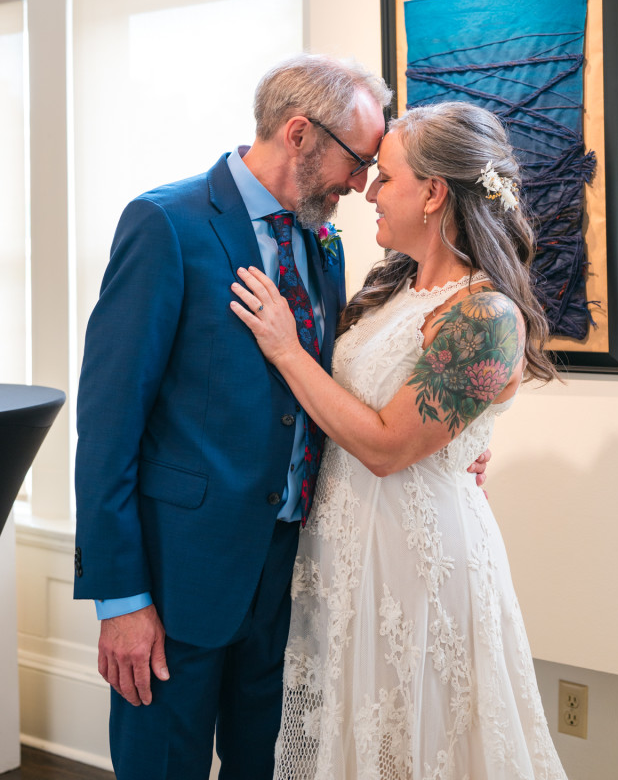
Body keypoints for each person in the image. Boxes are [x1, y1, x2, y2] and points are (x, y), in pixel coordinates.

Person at [73, 54, 490, 780]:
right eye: (358, 160)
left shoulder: (319, 240)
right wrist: (121, 597)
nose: (360, 184)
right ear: (299, 134)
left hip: (295, 576)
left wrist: (451, 444)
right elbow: (107, 425)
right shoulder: (166, 224)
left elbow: (338, 390)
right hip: (179, 579)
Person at [231, 101, 569, 779]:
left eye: (384, 177)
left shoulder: (485, 316)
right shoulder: (389, 288)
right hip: (345, 550)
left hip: (416, 564)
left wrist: (285, 349)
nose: (368, 192)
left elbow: (387, 448)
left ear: (434, 192)